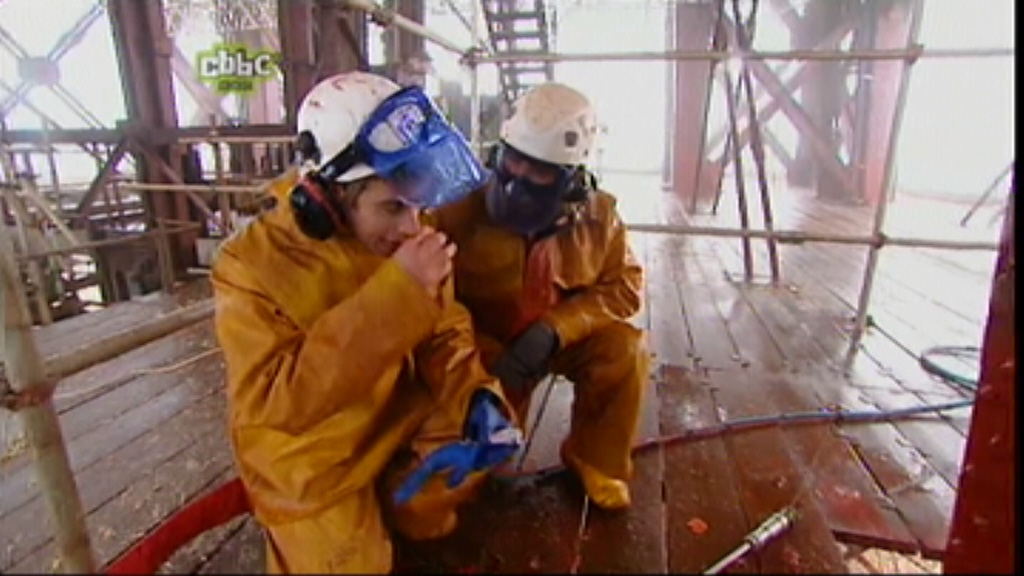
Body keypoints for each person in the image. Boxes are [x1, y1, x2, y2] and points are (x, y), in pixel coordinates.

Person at [210, 70, 522, 574]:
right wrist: (399, 291)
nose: (412, 226)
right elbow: (272, 403)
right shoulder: (248, 265)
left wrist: (476, 395)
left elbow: (444, 330)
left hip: (393, 414)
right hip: (312, 461)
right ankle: (361, 523)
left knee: (448, 477)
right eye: (392, 207)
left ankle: (402, 513)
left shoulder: (404, 226)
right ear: (326, 196)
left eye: (417, 204)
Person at [432, 82, 649, 511]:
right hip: (486, 348)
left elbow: (624, 287)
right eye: (513, 161)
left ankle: (596, 459)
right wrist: (477, 364)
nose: (519, 180)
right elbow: (428, 295)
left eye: (540, 172)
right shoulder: (456, 209)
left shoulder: (600, 215)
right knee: (469, 475)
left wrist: (556, 329)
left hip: (561, 341)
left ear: (571, 181)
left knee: (625, 350)